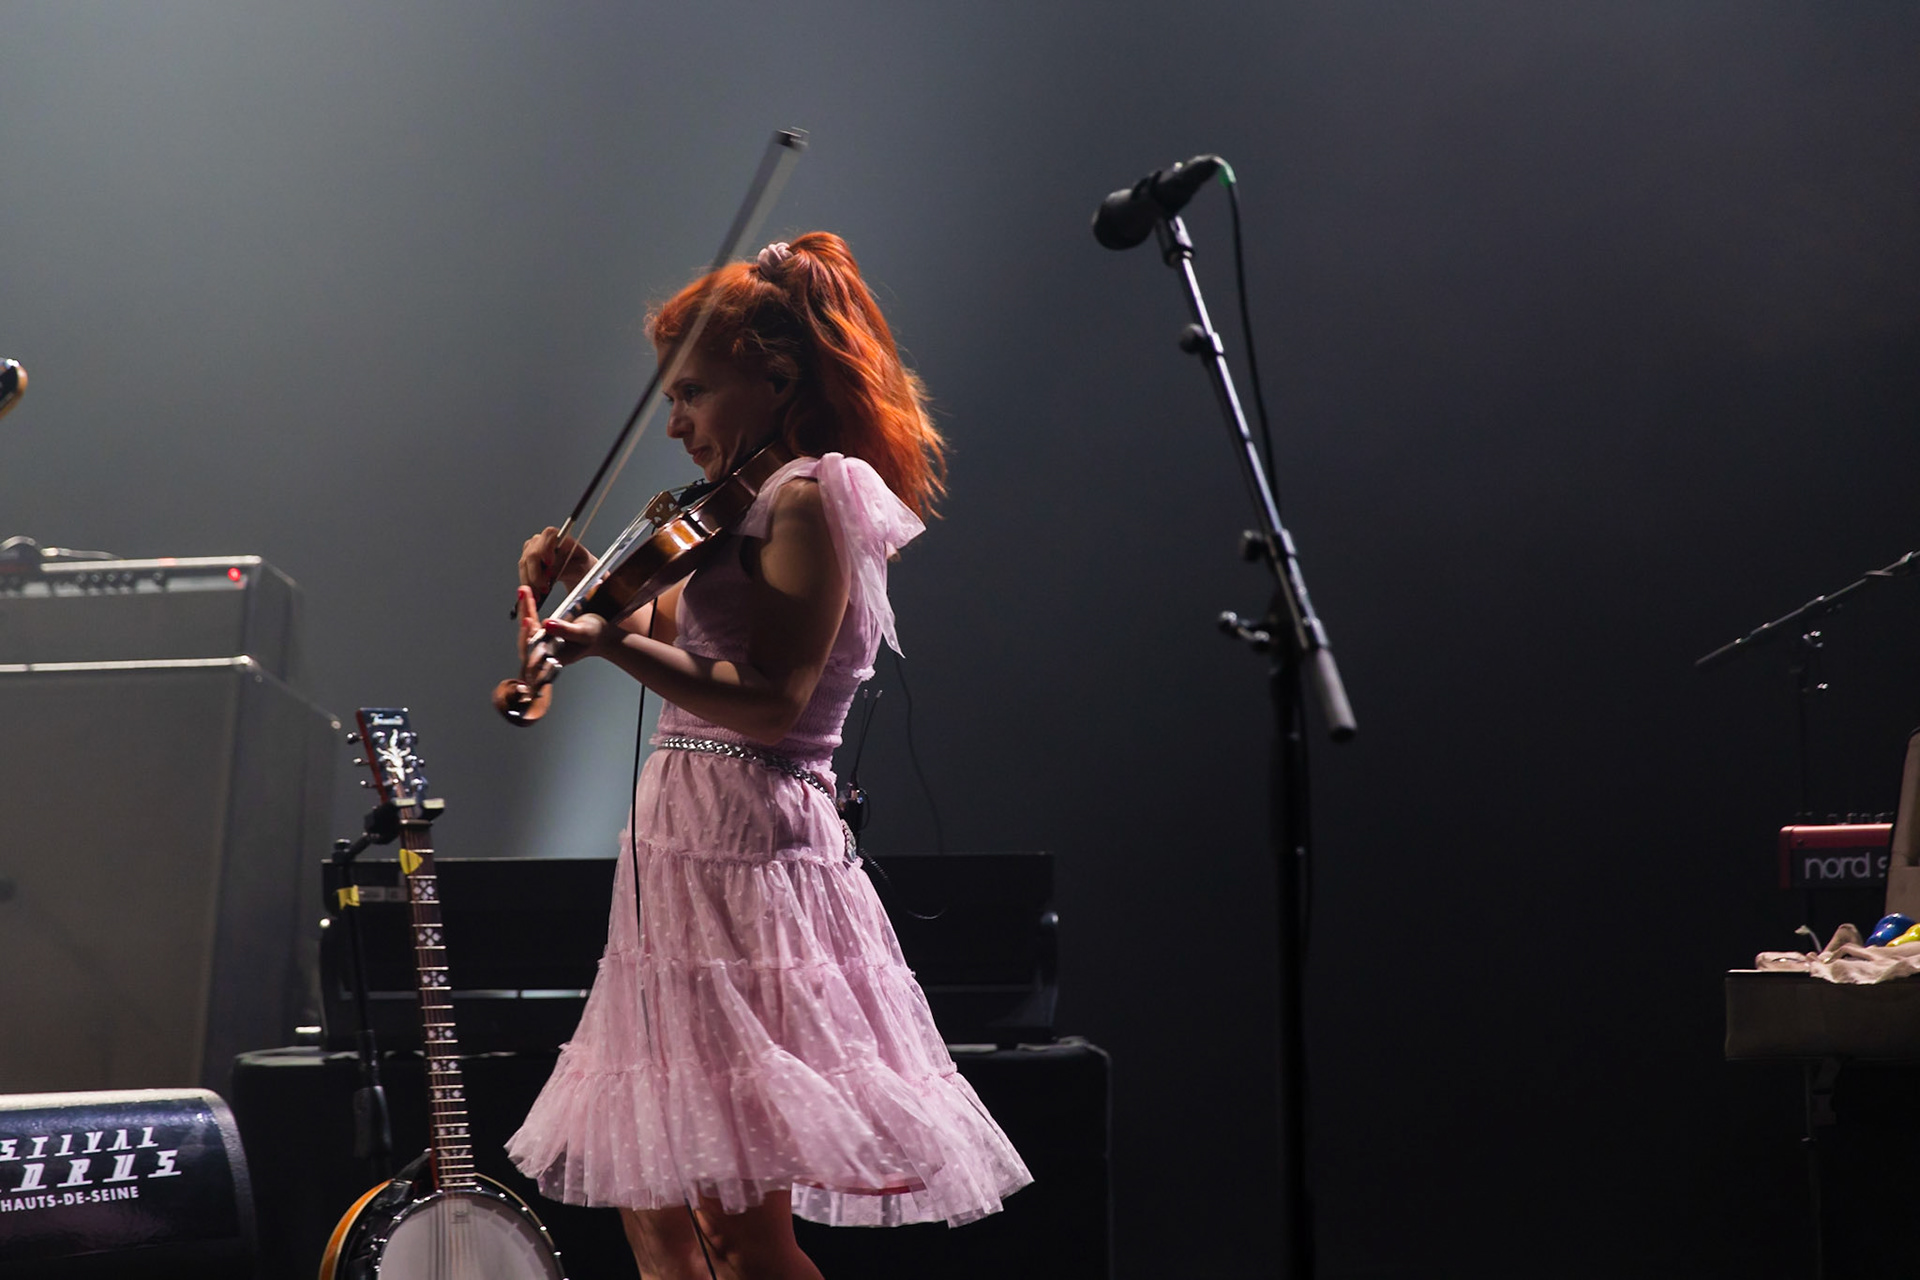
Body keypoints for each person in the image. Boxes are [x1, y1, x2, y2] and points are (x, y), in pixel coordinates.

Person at [504, 234, 1032, 1280]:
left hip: (749, 859)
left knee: (745, 1234)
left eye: (695, 390)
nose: (676, 421)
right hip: (675, 864)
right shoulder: (723, 513)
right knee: (656, 1213)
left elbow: (773, 699)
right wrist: (577, 595)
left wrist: (612, 639)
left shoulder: (813, 495)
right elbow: (656, 628)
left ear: (775, 374)